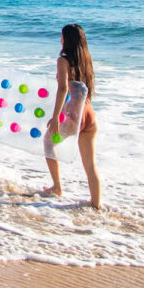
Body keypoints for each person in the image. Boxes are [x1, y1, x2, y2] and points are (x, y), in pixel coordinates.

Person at [42, 24, 101, 209]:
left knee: (48, 143)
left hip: (75, 115)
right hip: (89, 113)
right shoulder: (85, 58)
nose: (59, 39)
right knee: (90, 165)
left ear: (65, 39)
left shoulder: (63, 60)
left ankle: (57, 186)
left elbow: (63, 88)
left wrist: (56, 115)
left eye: (61, 36)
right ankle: (96, 204)